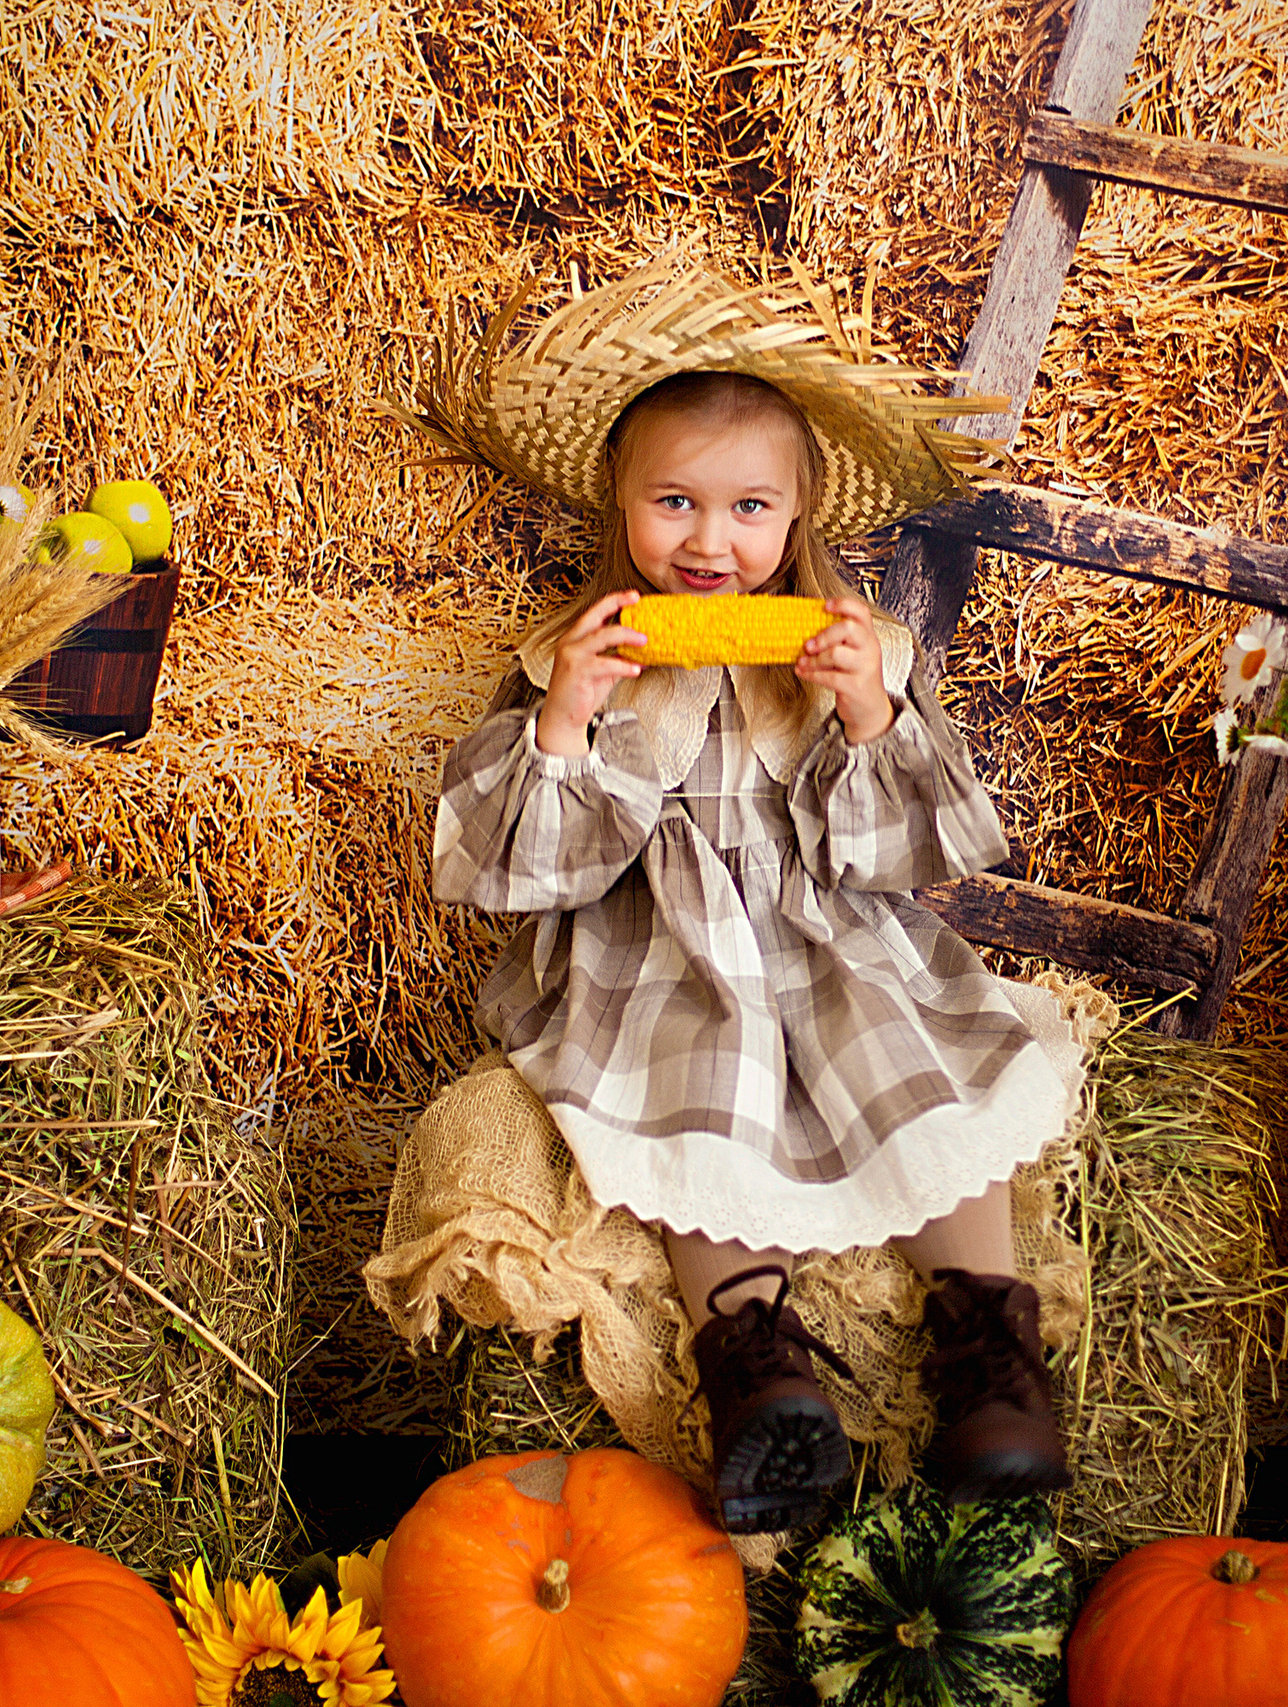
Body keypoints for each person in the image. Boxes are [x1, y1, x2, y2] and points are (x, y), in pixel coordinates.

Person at [417, 264, 1078, 1533]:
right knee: (695, 1100)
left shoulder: (858, 650)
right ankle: (757, 1367)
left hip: (826, 932)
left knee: (914, 1061)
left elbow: (912, 851)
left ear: (796, 512)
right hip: (657, 951)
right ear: (620, 502)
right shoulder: (569, 659)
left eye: (747, 508)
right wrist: (566, 717)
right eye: (674, 502)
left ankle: (993, 1352)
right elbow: (516, 873)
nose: (708, 542)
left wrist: (866, 712)